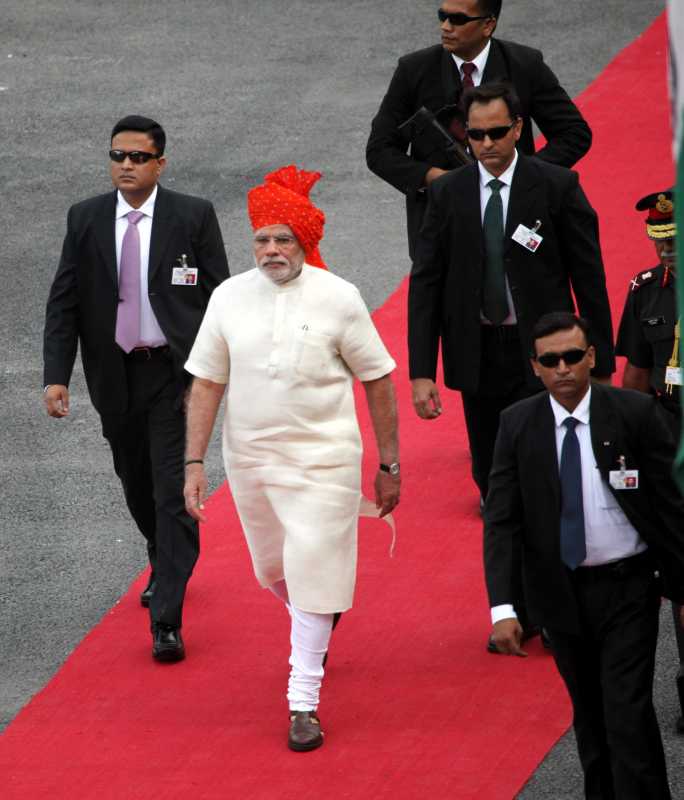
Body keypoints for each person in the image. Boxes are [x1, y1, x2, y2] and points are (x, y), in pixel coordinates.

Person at [182, 165, 400, 752]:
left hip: (325, 462)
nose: (271, 250)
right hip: (251, 462)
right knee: (274, 571)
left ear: (305, 242)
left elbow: (377, 378)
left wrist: (390, 463)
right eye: (262, 239)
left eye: (284, 239)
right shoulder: (228, 296)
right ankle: (318, 619)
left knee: (310, 573)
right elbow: (206, 383)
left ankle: (303, 701)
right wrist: (194, 464)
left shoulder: (339, 297)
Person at [408, 83, 614, 639]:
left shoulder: (555, 185)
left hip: (547, 362)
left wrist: (601, 364)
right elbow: (426, 283)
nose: (488, 144)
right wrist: (422, 371)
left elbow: (588, 277)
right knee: (494, 482)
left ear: (519, 128)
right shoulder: (449, 193)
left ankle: (549, 606)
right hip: (478, 359)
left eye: (498, 132)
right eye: (476, 135)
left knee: (545, 480)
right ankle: (513, 605)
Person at [43, 115, 230, 662]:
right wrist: (57, 375)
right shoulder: (85, 219)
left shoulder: (192, 216)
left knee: (172, 489)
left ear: (159, 163)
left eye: (137, 157)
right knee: (136, 479)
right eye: (117, 156)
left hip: (174, 375)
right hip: (114, 374)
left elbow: (219, 295)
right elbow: (65, 301)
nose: (125, 165)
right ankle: (163, 553)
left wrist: (221, 367)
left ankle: (166, 617)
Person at [484, 312, 684, 799]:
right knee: (590, 716)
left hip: (629, 588)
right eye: (550, 360)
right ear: (535, 366)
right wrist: (504, 608)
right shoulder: (517, 425)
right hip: (559, 594)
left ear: (591, 356)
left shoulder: (634, 414)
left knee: (626, 711)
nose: (564, 369)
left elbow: (671, 508)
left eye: (573, 356)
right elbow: (503, 521)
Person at [366, 0, 591, 257]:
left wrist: (522, 176)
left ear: (488, 24)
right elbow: (379, 151)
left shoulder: (525, 65)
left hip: (516, 218)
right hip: (442, 228)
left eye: (458, 19)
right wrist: (434, 178)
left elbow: (574, 134)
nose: (445, 26)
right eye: (443, 16)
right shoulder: (413, 70)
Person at [616, 188, 684, 733]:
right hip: (666, 437)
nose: (666, 253)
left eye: (675, 242)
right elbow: (635, 378)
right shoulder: (644, 292)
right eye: (659, 243)